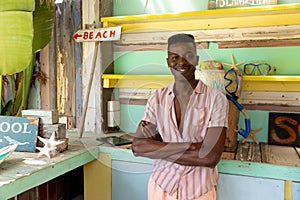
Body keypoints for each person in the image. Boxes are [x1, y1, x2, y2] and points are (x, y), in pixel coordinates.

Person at [132, 33, 229, 200]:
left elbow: (210, 157)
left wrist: (158, 148)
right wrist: (191, 146)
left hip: (198, 191)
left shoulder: (216, 99)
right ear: (168, 62)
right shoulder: (157, 98)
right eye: (175, 57)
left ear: (197, 60)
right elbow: (138, 146)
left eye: (188, 56)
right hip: (161, 187)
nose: (182, 62)